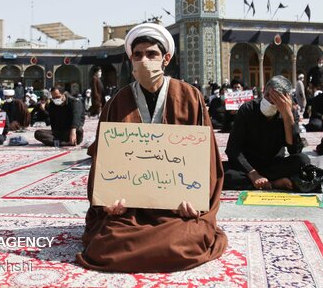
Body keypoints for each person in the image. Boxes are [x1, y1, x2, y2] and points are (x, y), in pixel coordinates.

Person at [77, 22, 227, 272]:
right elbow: (104, 159)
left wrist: (196, 200)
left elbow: (207, 158)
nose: (144, 60)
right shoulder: (117, 101)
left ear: (166, 58)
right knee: (106, 245)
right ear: (131, 59)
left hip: (177, 206)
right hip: (130, 207)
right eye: (138, 55)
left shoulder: (189, 96)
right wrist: (107, 202)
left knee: (185, 243)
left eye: (151, 54)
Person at [223, 75, 309, 190]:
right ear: (263, 92)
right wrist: (253, 174)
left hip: (273, 166)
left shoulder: (287, 114)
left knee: (303, 161)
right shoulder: (248, 109)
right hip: (247, 166)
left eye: (276, 99)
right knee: (218, 172)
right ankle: (273, 183)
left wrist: (287, 116)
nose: (270, 101)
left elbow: (295, 151)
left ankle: (261, 182)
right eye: (268, 95)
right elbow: (233, 149)